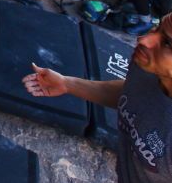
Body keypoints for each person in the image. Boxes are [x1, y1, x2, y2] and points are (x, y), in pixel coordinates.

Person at [22, 13, 172, 182]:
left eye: (167, 43)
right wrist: (66, 84)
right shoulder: (147, 68)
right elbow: (133, 93)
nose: (143, 39)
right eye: (157, 27)